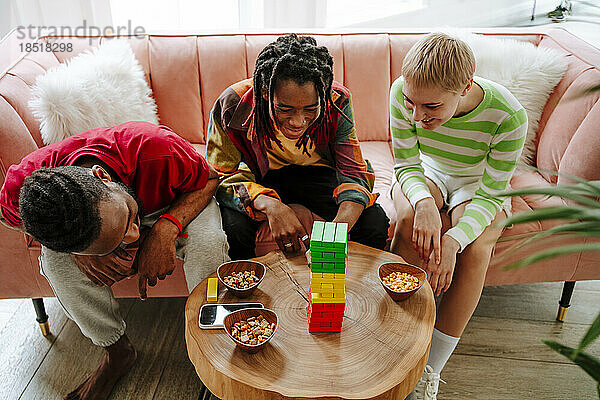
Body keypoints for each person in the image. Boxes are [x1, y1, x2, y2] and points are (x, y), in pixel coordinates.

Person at [0, 121, 230, 400]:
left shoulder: (156, 149)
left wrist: (164, 230)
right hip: (95, 226)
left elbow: (210, 178)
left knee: (208, 244)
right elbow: (9, 219)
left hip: (173, 203)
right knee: (55, 265)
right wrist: (77, 252)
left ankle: (211, 344)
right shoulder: (21, 193)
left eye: (128, 220)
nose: (135, 237)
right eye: (121, 239)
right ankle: (117, 352)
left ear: (103, 176)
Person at [389, 33, 527, 399]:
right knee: (406, 223)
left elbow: (491, 193)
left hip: (477, 183)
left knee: (477, 247)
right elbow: (405, 163)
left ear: (465, 87)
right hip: (426, 172)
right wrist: (424, 204)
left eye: (431, 107)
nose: (416, 116)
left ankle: (429, 369)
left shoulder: (509, 116)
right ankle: (393, 340)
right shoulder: (402, 91)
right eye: (410, 102)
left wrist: (453, 239)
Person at [206, 34, 389, 259]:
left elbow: (353, 173)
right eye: (285, 109)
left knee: (374, 222)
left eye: (311, 109)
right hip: (258, 179)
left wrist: (333, 235)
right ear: (265, 93)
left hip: (317, 175)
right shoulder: (233, 105)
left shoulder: (336, 100)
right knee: (233, 230)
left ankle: (357, 290)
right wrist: (273, 207)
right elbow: (221, 177)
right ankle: (247, 292)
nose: (298, 121)